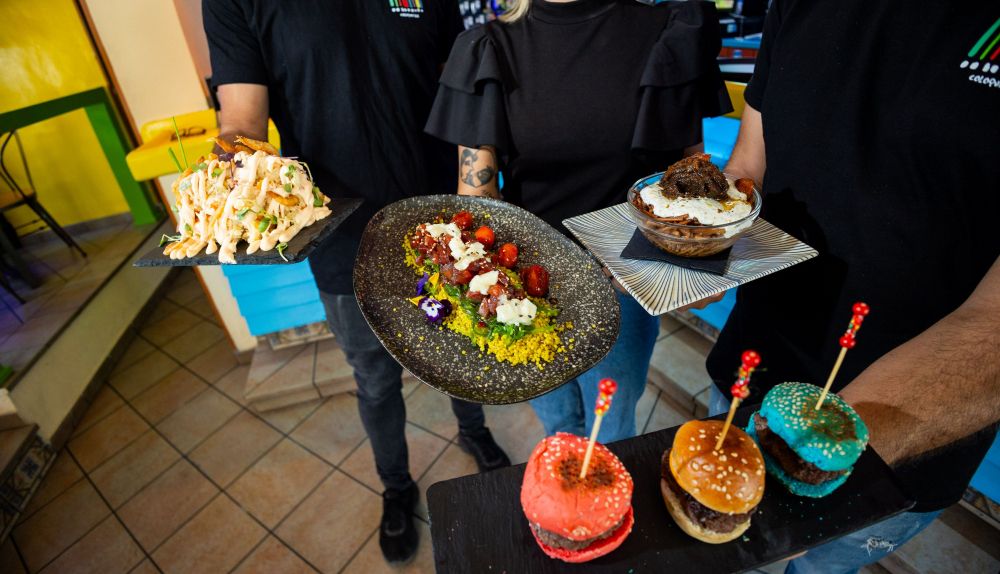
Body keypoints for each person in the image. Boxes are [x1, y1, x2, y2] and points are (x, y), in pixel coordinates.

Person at [202, 0, 511, 564]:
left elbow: (461, 85)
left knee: (463, 348)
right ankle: (396, 485)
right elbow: (243, 121)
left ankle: (474, 430)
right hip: (342, 232)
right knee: (373, 376)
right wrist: (228, 190)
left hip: (441, 222)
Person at [705, 1, 1000, 572]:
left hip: (898, 445)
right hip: (747, 374)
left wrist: (817, 449)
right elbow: (750, 164)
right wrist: (694, 235)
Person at [426, 0, 732, 442]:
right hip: (525, 284)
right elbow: (478, 198)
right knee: (558, 425)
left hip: (622, 289)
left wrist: (700, 264)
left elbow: (689, 180)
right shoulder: (488, 47)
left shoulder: (668, 33)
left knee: (611, 433)